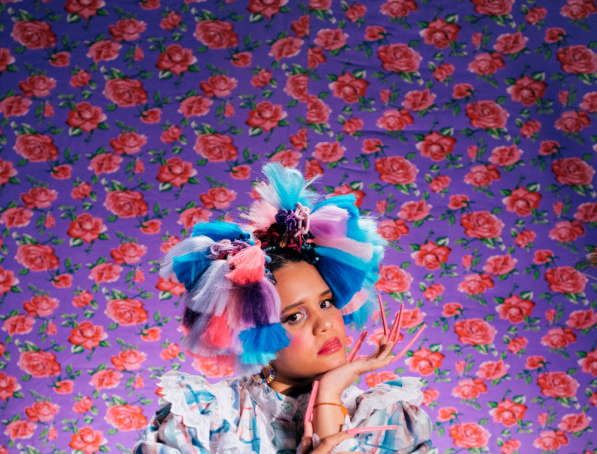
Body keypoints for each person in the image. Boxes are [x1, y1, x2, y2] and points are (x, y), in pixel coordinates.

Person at [133, 163, 432, 453]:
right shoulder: (206, 419)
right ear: (253, 333)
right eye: (294, 316)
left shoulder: (384, 419)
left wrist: (328, 398)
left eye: (325, 302)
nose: (325, 324)